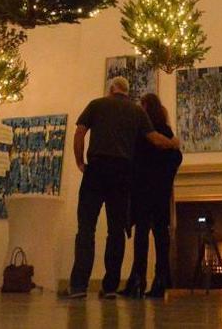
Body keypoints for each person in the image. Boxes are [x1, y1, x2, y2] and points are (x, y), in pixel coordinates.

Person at [66, 77, 180, 299]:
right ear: (127, 92)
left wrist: (80, 162)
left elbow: (79, 132)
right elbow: (156, 139)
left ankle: (79, 286)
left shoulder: (96, 104)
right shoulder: (136, 112)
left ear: (111, 89)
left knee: (86, 228)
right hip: (122, 173)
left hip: (96, 169)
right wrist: (173, 143)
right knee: (116, 231)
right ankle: (109, 286)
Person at [120, 92, 183, 299]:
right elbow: (176, 157)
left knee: (141, 235)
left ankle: (137, 279)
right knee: (161, 235)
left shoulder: (141, 132)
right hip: (161, 192)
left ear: (145, 107)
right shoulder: (167, 132)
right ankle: (160, 280)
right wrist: (166, 178)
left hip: (142, 190)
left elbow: (131, 159)